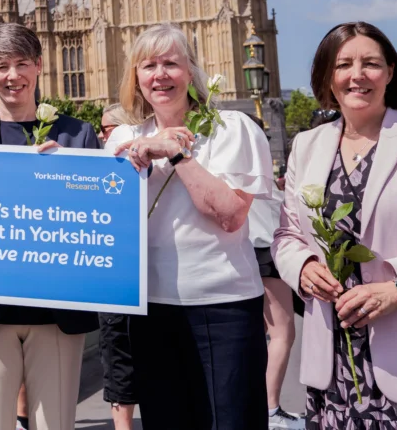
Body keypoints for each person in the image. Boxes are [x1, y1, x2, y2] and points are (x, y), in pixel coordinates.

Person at [272, 22, 397, 427]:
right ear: (328, 76)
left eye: (371, 63)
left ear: (390, 72)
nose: (357, 74)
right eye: (344, 64)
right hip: (334, 370)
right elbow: (288, 234)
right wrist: (303, 268)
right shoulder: (307, 146)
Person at [107, 22, 273, 429]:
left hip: (224, 306)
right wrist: (49, 167)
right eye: (148, 66)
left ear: (191, 72)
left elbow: (232, 216)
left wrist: (178, 156)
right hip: (152, 310)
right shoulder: (124, 139)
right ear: (136, 79)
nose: (159, 74)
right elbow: (98, 220)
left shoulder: (232, 129)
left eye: (170, 64)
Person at [0, 22, 98, 430]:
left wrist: (69, 176)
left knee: (55, 425)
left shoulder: (77, 135)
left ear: (39, 66)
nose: (12, 76)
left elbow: (98, 218)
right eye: (1, 66)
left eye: (22, 63)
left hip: (57, 313)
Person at [247, 162, 304, 430]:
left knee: (257, 334)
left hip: (242, 253)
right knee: (282, 332)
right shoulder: (258, 177)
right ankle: (270, 408)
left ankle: (259, 405)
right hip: (266, 249)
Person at [95, 104, 138, 430]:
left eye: (106, 129)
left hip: (142, 282)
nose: (101, 134)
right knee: (119, 363)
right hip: (116, 284)